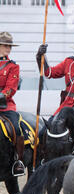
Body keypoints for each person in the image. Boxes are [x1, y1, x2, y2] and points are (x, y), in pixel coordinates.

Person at [0, 32, 25, 176]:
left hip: (5, 106)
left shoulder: (13, 66)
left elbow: (10, 89)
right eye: (5, 45)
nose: (8, 48)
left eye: (10, 46)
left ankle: (18, 160)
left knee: (16, 128)